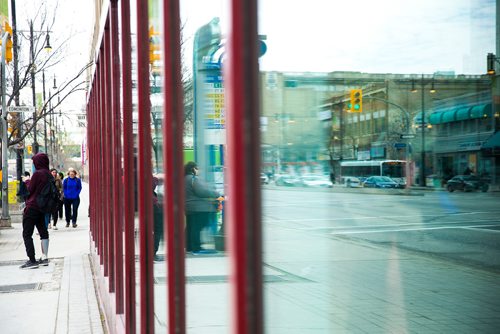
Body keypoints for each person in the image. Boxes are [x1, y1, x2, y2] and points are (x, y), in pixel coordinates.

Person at [20, 153, 51, 269]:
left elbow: (30, 190)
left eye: (34, 162)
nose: (33, 165)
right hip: (42, 208)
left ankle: (32, 260)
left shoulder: (38, 174)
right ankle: (44, 257)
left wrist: (27, 181)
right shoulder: (48, 174)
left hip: (32, 207)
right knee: (43, 231)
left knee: (27, 233)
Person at [184, 161, 220, 254]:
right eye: (197, 168)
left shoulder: (183, 179)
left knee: (191, 227)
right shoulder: (193, 179)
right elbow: (201, 191)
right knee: (198, 227)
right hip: (198, 207)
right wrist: (216, 194)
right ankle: (196, 247)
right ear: (193, 169)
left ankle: (189, 247)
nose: (198, 170)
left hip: (188, 207)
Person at [152, 176, 164, 261]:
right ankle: (153, 252)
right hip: (154, 208)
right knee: (158, 230)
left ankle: (152, 252)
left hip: (152, 207)